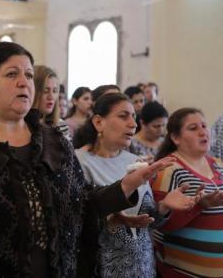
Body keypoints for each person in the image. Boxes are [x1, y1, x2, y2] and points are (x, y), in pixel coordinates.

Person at [0, 42, 173, 278]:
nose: (24, 82)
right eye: (11, 74)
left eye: (29, 75)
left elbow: (82, 206)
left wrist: (125, 186)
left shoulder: (55, 144)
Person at [74, 93, 195, 278]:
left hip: (143, 268)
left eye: (134, 117)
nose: (133, 124)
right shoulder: (79, 162)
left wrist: (164, 206)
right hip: (101, 268)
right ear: (99, 122)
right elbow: (75, 222)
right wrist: (113, 218)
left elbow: (149, 221)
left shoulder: (134, 161)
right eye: (123, 116)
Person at [152, 108, 223, 277]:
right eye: (193, 128)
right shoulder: (168, 169)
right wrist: (200, 205)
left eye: (204, 125)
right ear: (175, 137)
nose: (203, 132)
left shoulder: (220, 165)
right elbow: (158, 224)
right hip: (182, 272)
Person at [32, 65, 70, 139]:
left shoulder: (61, 125)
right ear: (33, 91)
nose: (51, 97)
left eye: (55, 91)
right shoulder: (22, 126)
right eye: (45, 91)